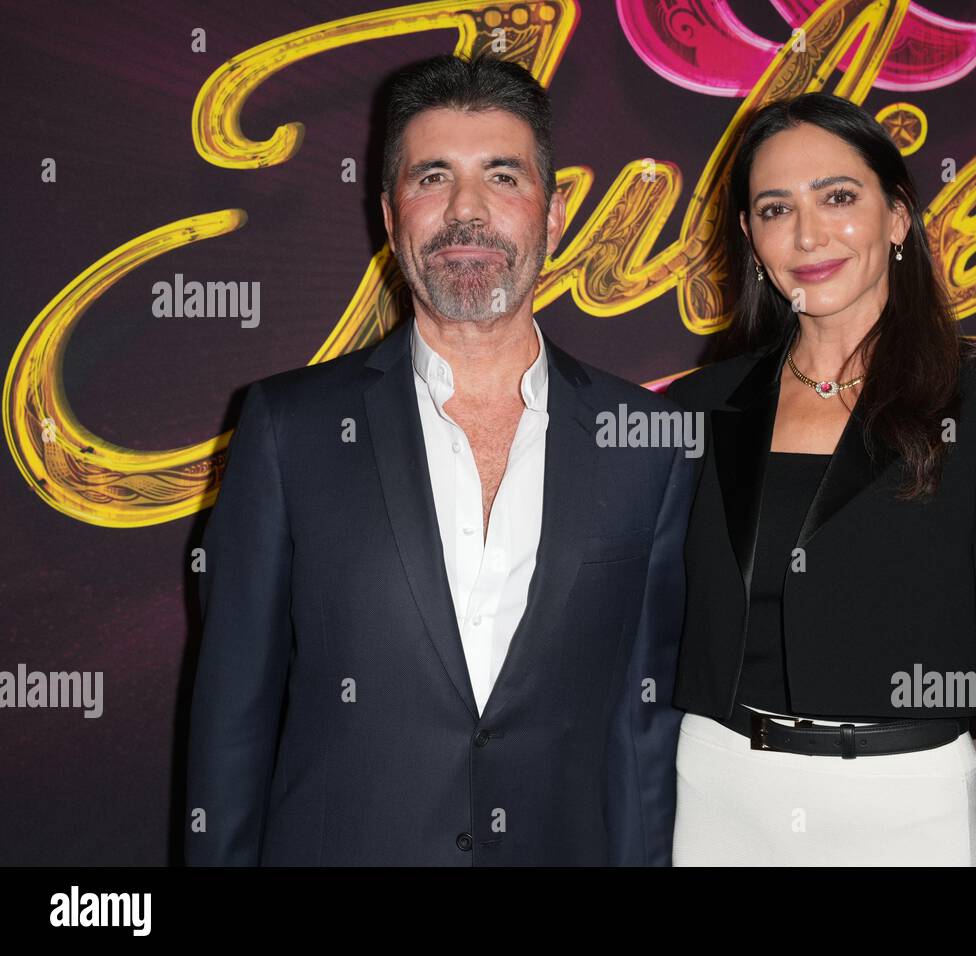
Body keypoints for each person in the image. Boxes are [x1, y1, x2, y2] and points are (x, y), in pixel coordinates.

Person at [185, 51, 693, 866]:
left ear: (553, 214)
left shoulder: (647, 441)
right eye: (432, 178)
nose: (467, 211)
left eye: (501, 176)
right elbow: (230, 716)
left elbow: (642, 733)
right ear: (390, 219)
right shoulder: (289, 427)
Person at [667, 92, 976, 866]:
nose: (809, 233)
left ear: (897, 217)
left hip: (907, 807)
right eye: (776, 209)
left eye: (840, 197)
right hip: (718, 796)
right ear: (751, 239)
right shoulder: (701, 405)